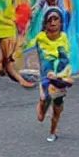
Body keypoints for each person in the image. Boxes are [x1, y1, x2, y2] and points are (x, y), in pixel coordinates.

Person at [31, 7, 74, 142]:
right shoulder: (40, 38)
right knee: (41, 115)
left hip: (60, 77)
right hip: (47, 75)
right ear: (45, 23)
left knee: (57, 106)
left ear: (61, 23)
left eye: (56, 19)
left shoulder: (64, 38)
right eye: (50, 20)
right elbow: (44, 58)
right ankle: (42, 104)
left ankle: (53, 132)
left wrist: (62, 75)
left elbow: (65, 58)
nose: (53, 23)